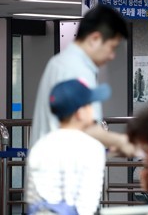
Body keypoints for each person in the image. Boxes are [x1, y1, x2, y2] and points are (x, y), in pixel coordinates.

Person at [30, 6, 135, 157]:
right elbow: (84, 126)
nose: (112, 56)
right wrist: (121, 141)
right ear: (95, 39)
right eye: (112, 47)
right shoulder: (76, 70)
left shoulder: (61, 62)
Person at [26, 79, 110, 215]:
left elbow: (33, 199)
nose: (93, 110)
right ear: (79, 112)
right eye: (89, 105)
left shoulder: (40, 145)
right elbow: (87, 204)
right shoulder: (92, 147)